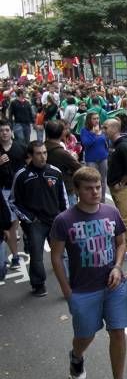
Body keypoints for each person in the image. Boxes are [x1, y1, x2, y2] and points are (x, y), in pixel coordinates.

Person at [49, 166, 127, 379]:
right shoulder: (64, 220)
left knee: (118, 331)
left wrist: (118, 267)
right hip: (82, 290)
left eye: (98, 187)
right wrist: (67, 291)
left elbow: (121, 243)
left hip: (113, 286)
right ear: (77, 190)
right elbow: (57, 256)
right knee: (86, 334)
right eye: (89, 188)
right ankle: (77, 356)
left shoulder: (111, 213)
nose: (95, 192)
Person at [9, 141, 68, 297]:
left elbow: (63, 198)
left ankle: (67, 283)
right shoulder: (21, 175)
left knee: (62, 254)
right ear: (30, 155)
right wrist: (29, 218)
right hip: (36, 223)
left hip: (55, 220)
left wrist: (65, 216)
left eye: (45, 153)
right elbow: (13, 201)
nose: (43, 157)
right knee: (36, 255)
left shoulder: (55, 172)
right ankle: (38, 284)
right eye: (38, 153)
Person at [105, 118, 127, 260]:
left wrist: (121, 183)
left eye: (105, 128)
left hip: (123, 188)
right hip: (115, 186)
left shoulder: (124, 145)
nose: (103, 130)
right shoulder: (114, 144)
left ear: (114, 129)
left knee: (126, 217)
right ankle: (124, 243)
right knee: (122, 217)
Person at [0, 119, 26, 269]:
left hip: (20, 192)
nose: (4, 133)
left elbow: (29, 164)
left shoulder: (20, 147)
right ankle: (14, 257)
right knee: (9, 225)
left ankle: (16, 253)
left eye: (6, 130)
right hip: (3, 192)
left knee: (14, 225)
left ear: (11, 132)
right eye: (1, 130)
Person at [44, 121, 82, 207]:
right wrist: (74, 159)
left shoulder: (42, 148)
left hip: (46, 189)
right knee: (70, 217)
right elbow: (79, 169)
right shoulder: (62, 153)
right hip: (65, 189)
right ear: (62, 133)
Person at [80, 111, 110, 201]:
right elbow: (86, 144)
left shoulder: (102, 129)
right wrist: (94, 134)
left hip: (103, 159)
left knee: (103, 180)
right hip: (91, 160)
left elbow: (106, 142)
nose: (96, 120)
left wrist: (106, 153)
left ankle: (102, 200)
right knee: (92, 180)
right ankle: (92, 199)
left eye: (97, 118)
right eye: (94, 118)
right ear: (89, 120)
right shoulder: (84, 130)